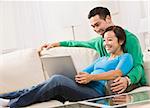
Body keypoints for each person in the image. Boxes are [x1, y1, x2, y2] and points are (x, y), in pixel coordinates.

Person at [0, 25, 133, 107]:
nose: (106, 43)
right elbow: (83, 72)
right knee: (46, 84)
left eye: (110, 40)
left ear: (120, 41)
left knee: (57, 80)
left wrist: (91, 78)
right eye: (104, 40)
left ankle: (13, 103)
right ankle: (6, 96)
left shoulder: (126, 57)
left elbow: (117, 73)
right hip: (83, 87)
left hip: (96, 93)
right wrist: (77, 75)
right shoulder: (102, 59)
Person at [38, 7, 147, 94]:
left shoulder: (130, 40)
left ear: (108, 18)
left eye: (97, 24)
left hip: (126, 83)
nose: (96, 29)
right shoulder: (100, 42)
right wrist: (56, 44)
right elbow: (78, 43)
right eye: (93, 27)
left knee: (57, 81)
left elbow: (138, 66)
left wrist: (127, 80)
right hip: (102, 84)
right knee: (57, 80)